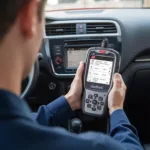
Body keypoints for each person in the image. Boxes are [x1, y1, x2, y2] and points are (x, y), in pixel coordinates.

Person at [0, 0, 143, 150]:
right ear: (29, 17)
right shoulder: (97, 146)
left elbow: (21, 126)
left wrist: (69, 101)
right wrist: (116, 109)